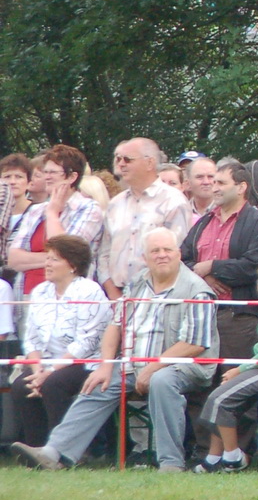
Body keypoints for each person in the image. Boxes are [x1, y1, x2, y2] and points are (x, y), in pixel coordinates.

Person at [9, 228, 214, 471]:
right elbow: (115, 325)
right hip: (133, 364)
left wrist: (153, 366)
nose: (162, 255)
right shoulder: (138, 282)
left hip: (181, 365)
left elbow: (194, 343)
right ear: (145, 257)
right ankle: (54, 453)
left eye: (167, 250)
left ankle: (170, 463)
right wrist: (106, 365)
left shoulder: (195, 289)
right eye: (155, 251)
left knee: (161, 381)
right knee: (96, 382)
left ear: (178, 254)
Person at [192, 258, 258, 473]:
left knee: (221, 399)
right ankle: (214, 456)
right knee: (218, 394)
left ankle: (234, 457)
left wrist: (239, 369)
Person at [7, 236, 110, 448]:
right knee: (21, 385)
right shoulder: (40, 292)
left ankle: (61, 450)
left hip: (82, 363)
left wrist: (49, 372)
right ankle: (35, 448)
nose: (47, 264)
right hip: (45, 364)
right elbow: (31, 339)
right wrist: (37, 372)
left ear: (72, 265)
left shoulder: (90, 291)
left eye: (53, 259)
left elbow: (86, 342)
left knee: (54, 384)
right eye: (47, 258)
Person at [181, 160, 258, 370]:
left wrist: (213, 266)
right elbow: (182, 259)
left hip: (238, 320)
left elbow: (255, 267)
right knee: (198, 387)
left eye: (221, 183)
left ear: (242, 187)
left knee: (230, 383)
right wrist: (204, 277)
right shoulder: (203, 223)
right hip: (200, 317)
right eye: (214, 182)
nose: (214, 187)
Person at [100, 138, 194, 300]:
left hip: (157, 296)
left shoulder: (173, 201)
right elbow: (103, 254)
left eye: (128, 159)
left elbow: (177, 254)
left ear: (150, 163)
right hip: (116, 296)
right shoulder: (115, 204)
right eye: (119, 159)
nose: (121, 164)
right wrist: (113, 293)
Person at [6, 145, 105, 296]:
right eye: (45, 172)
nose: (47, 177)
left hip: (68, 297)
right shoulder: (36, 210)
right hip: (27, 296)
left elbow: (67, 254)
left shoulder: (89, 210)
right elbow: (13, 260)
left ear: (72, 177)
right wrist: (54, 260)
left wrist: (52, 214)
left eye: (53, 172)